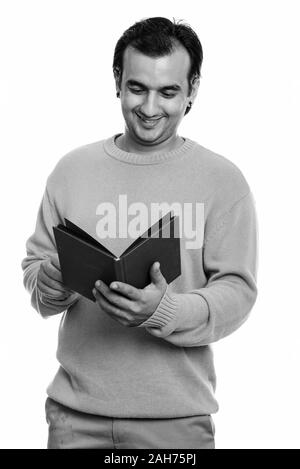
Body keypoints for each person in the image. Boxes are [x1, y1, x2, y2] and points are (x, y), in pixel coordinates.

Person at [21, 17, 258, 450]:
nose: (150, 108)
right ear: (117, 81)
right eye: (137, 88)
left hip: (175, 425)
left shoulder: (223, 181)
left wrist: (163, 311)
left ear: (192, 89)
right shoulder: (71, 171)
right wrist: (51, 281)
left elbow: (238, 293)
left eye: (168, 92)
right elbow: (37, 279)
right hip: (75, 420)